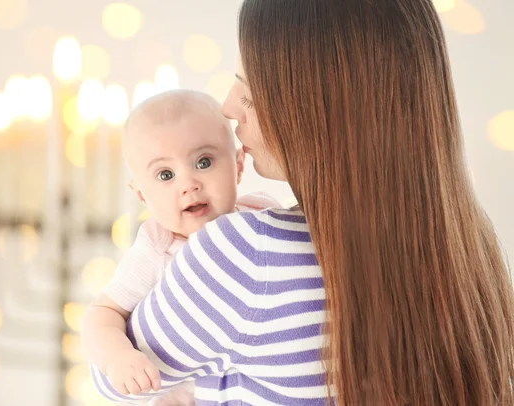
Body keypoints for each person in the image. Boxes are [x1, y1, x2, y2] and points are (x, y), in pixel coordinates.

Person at [88, 0, 514, 404]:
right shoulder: (470, 242)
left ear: (320, 107)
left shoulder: (246, 254)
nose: (229, 107)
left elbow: (113, 383)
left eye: (250, 90)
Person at [81, 89, 279, 405]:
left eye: (203, 161)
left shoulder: (262, 215)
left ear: (238, 165)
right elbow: (103, 313)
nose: (188, 184)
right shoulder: (158, 249)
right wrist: (117, 357)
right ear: (142, 195)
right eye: (166, 174)